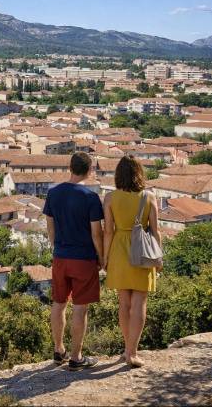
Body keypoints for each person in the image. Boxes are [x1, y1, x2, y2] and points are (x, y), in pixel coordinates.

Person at [43, 151, 104, 370]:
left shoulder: (54, 193)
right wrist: (102, 257)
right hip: (83, 259)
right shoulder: (90, 198)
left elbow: (50, 225)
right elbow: (97, 233)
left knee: (58, 303)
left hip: (60, 256)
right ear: (89, 170)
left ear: (70, 167)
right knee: (80, 308)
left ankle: (58, 350)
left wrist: (55, 247)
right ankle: (76, 357)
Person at [102, 155, 162, 368]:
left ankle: (127, 349)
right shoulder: (149, 197)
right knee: (139, 303)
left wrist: (105, 257)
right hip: (143, 250)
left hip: (119, 249)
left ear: (118, 175)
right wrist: (159, 258)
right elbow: (155, 231)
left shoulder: (110, 198)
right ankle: (132, 352)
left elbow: (108, 231)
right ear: (139, 174)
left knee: (124, 303)